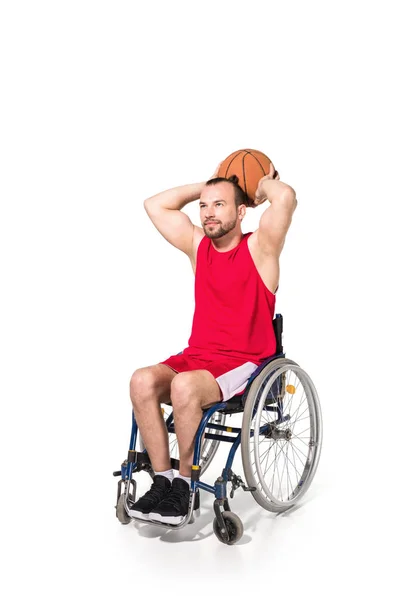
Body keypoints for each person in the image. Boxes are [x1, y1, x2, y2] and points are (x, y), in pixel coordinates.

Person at [129, 161, 297, 524]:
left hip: (246, 360)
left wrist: (260, 187)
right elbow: (153, 204)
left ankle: (186, 487)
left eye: (219, 204)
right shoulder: (197, 246)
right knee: (141, 380)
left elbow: (286, 198)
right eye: (204, 206)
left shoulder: (261, 249)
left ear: (241, 211)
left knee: (185, 386)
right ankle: (165, 480)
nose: (208, 213)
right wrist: (207, 186)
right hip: (198, 355)